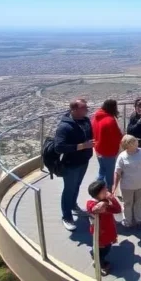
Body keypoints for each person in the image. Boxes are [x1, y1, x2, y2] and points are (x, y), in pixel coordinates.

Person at [53, 99, 94, 231]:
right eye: (84, 107)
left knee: (76, 185)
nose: (87, 109)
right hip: (71, 164)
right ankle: (66, 216)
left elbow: (89, 135)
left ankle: (73, 205)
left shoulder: (85, 121)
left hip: (84, 161)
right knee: (69, 189)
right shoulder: (64, 127)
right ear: (74, 109)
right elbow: (59, 147)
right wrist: (81, 146)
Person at [112, 134, 141, 228]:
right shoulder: (122, 156)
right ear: (129, 145)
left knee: (139, 202)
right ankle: (127, 221)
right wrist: (115, 185)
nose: (137, 142)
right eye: (135, 141)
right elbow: (117, 172)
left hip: (140, 184)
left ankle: (140, 220)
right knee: (127, 203)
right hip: (127, 186)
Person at [86, 179, 122, 277]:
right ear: (98, 193)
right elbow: (93, 208)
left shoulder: (105, 202)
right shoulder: (91, 203)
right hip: (100, 233)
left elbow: (117, 209)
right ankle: (100, 264)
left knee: (106, 246)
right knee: (104, 249)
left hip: (108, 230)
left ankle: (95, 254)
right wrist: (105, 202)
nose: (107, 190)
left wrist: (111, 199)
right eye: (104, 190)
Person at [92, 99, 122, 188]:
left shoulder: (96, 116)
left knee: (102, 170)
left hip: (98, 149)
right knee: (109, 174)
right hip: (108, 151)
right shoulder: (110, 120)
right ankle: (107, 191)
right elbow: (117, 137)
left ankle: (97, 189)